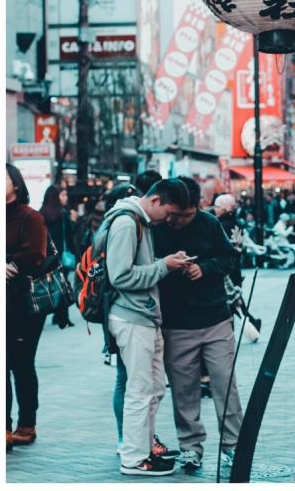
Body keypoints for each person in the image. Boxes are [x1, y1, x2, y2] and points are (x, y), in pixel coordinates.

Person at [103, 178, 193, 476]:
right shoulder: (128, 223)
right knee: (140, 390)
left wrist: (163, 263)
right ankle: (133, 458)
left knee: (152, 388)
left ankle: (144, 451)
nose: (168, 220)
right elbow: (121, 275)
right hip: (131, 316)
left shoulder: (139, 222)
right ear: (155, 201)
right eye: (168, 213)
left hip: (144, 316)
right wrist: (163, 266)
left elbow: (134, 267)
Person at [153, 177, 243, 471]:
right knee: (184, 389)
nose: (180, 220)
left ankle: (233, 445)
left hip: (215, 318)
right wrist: (167, 265)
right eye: (176, 215)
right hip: (176, 323)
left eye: (187, 215)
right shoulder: (157, 228)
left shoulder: (207, 223)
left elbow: (229, 258)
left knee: (225, 384)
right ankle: (190, 447)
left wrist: (203, 269)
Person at [6, 164, 49, 450]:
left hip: (23, 302)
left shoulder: (30, 217)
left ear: (16, 184)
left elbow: (35, 255)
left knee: (20, 363)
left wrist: (10, 262)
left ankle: (26, 423)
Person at [40, 185, 77, 328]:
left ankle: (50, 312)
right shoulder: (63, 214)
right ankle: (62, 317)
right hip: (60, 256)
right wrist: (73, 221)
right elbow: (70, 233)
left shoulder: (40, 214)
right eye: (63, 195)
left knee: (46, 284)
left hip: (45, 256)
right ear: (56, 197)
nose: (66, 198)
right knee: (62, 285)